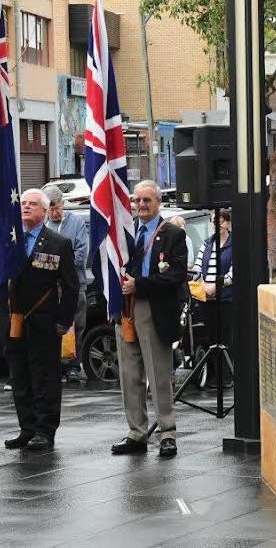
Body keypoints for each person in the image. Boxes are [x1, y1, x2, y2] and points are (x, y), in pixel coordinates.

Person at [111, 181, 188, 459]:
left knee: (158, 375)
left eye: (147, 200)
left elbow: (176, 275)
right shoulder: (125, 231)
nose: (141, 205)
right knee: (130, 375)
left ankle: (167, 433)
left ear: (158, 202)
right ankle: (136, 433)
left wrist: (140, 285)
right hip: (126, 308)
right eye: (137, 200)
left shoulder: (173, 234)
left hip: (154, 308)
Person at [4, 189, 79, 451]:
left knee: (44, 378)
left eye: (32, 204)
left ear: (45, 211)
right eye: (23, 203)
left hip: (43, 321)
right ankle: (27, 428)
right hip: (14, 320)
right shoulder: (10, 239)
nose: (26, 207)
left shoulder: (58, 243)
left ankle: (45, 430)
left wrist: (63, 321)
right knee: (20, 377)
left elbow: (71, 286)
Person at [41, 185, 89, 383]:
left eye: (56, 207)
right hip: (50, 289)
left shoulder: (76, 223)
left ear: (63, 203)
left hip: (74, 285)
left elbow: (81, 254)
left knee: (76, 326)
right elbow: (39, 257)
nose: (54, 212)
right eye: (49, 208)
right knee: (51, 327)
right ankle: (55, 366)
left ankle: (73, 366)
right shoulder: (43, 225)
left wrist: (58, 266)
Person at [192, 208, 234, 386]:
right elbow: (197, 266)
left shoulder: (235, 244)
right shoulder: (207, 243)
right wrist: (199, 282)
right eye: (213, 221)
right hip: (206, 299)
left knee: (226, 338)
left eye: (219, 220)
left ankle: (227, 377)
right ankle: (214, 375)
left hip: (226, 299)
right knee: (211, 337)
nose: (216, 224)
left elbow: (234, 272)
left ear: (227, 222)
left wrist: (216, 286)